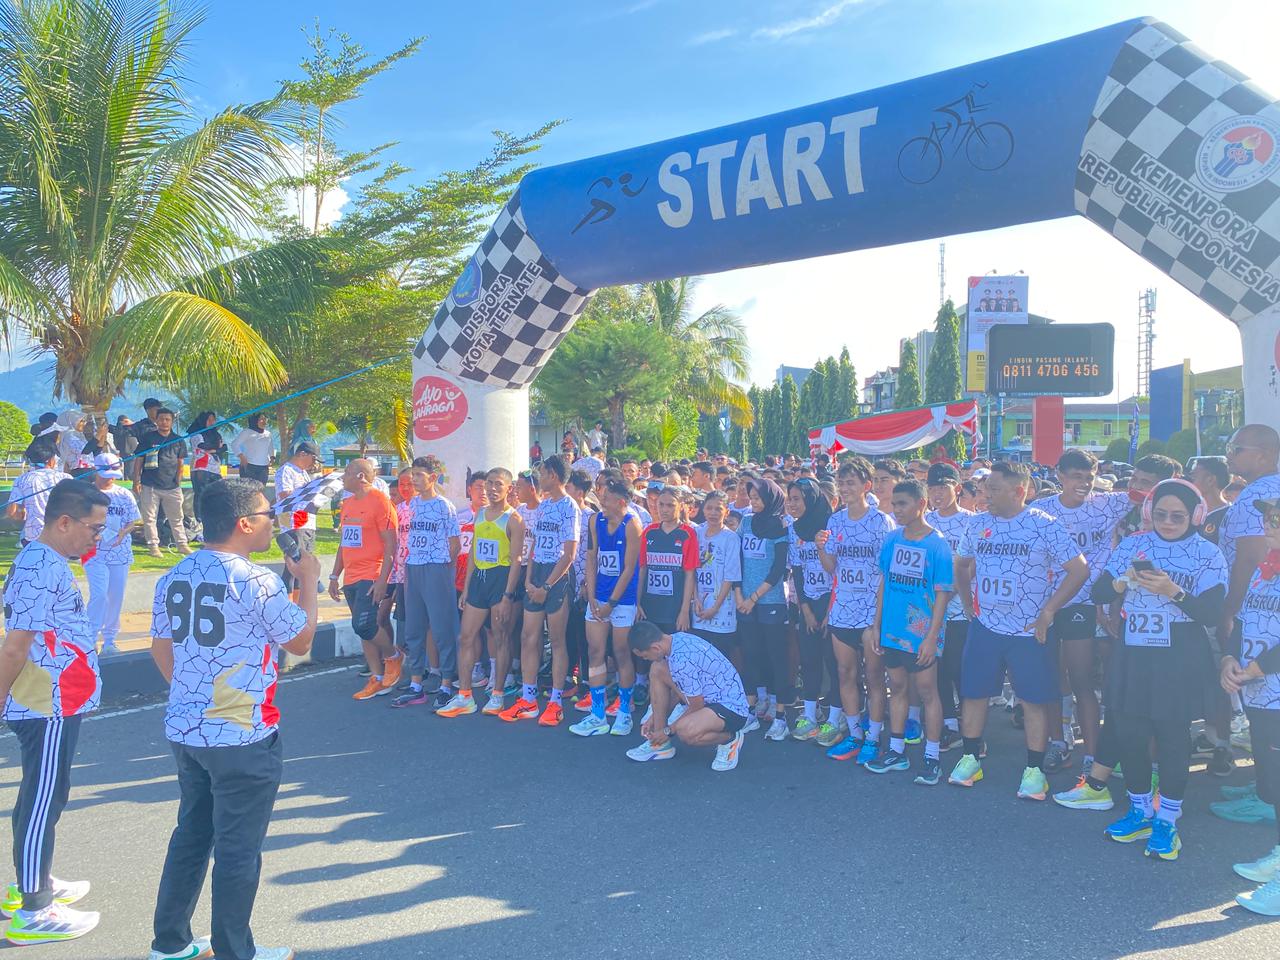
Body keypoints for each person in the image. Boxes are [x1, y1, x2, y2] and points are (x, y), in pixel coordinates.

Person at [149, 477, 319, 960]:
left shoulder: (175, 575)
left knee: (192, 835)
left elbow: (162, 650)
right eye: (267, 516)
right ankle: (234, 950)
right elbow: (301, 641)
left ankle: (171, 941)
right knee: (238, 849)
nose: (274, 524)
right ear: (244, 523)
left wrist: (191, 695)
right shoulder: (254, 578)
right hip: (243, 733)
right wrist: (307, 579)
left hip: (188, 728)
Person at [1090, 479, 1227, 862]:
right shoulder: (1134, 544)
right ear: (1150, 513)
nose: (1168, 522)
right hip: (1134, 650)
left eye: (1178, 516)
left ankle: (1168, 817)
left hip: (1179, 653)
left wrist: (1174, 592)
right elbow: (1098, 593)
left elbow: (1212, 613)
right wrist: (1121, 581)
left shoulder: (1207, 553)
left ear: (1195, 516)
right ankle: (1139, 809)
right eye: (1161, 514)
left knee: (1171, 737)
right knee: (1130, 732)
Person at [0, 480, 107, 946]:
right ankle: (35, 910)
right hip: (47, 699)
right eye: (92, 528)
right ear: (63, 521)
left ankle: (30, 881)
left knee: (41, 795)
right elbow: (16, 644)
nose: (96, 538)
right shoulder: (40, 565)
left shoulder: (43, 561)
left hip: (56, 694)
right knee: (44, 798)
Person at [949, 460, 1088, 799]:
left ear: (1019, 491)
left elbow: (1079, 570)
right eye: (985, 489)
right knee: (975, 692)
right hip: (987, 627)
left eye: (994, 489)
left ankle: (1034, 770)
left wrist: (1049, 612)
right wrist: (968, 602)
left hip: (1028, 631)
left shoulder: (1044, 525)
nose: (986, 495)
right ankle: (969, 758)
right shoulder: (978, 523)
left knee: (1033, 699)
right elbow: (961, 564)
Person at [1035, 449, 1130, 774]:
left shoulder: (1107, 502)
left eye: (1089, 478)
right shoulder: (1040, 510)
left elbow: (1155, 491)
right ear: (1059, 475)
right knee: (1050, 679)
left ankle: (1092, 754)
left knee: (1082, 680)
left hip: (1084, 603)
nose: (1084, 484)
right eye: (1076, 477)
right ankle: (1058, 743)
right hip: (1045, 605)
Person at [864, 479, 954, 784]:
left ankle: (931, 757)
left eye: (903, 504)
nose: (896, 510)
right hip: (891, 630)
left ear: (921, 505)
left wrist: (932, 636)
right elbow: (883, 585)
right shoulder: (891, 540)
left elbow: (943, 594)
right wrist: (876, 626)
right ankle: (897, 750)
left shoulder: (937, 545)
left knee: (928, 692)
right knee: (898, 688)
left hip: (922, 634)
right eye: (894, 504)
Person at [1222, 494, 1280, 914]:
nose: (1268, 527)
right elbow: (1242, 622)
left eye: (1276, 521)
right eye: (1268, 520)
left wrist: (1257, 668)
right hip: (1262, 696)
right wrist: (1228, 657)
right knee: (1273, 782)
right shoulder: (1266, 571)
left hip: (1271, 687)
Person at [816, 458, 892, 760]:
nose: (845, 488)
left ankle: (874, 736)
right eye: (842, 482)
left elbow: (887, 572)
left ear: (866, 486)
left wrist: (878, 617)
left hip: (870, 612)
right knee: (845, 673)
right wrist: (821, 547)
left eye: (851, 483)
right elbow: (831, 567)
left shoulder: (881, 521)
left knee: (874, 676)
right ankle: (854, 733)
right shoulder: (835, 521)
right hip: (842, 611)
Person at [501, 456, 579, 725]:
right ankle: (528, 698)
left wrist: (547, 586)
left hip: (557, 579)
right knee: (527, 637)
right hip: (536, 575)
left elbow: (569, 553)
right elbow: (535, 544)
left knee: (557, 641)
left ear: (554, 476)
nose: (539, 478)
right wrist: (529, 580)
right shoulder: (545, 505)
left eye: (543, 473)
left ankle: (556, 702)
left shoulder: (570, 506)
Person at [442, 468, 525, 718]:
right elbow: (475, 555)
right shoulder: (479, 514)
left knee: (500, 638)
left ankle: (498, 694)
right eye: (489, 484)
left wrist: (508, 596)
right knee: (466, 637)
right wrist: (466, 589)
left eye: (498, 484)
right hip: (479, 579)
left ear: (509, 488)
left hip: (501, 580)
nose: (492, 488)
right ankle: (464, 696)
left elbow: (516, 561)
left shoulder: (514, 519)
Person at [571, 478, 643, 737]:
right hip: (598, 596)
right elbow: (591, 557)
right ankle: (597, 714)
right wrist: (591, 594)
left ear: (621, 501)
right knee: (595, 651)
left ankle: (624, 712)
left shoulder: (632, 525)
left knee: (622, 652)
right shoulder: (595, 521)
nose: (602, 502)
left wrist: (612, 602)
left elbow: (629, 569)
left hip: (622, 599)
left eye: (607, 498)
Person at [625, 621, 748, 771]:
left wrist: (668, 731)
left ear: (655, 648)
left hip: (731, 708)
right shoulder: (676, 639)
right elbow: (682, 691)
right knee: (657, 668)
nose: (646, 659)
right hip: (710, 696)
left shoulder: (682, 662)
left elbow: (696, 705)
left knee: (685, 732)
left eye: (645, 656)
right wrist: (655, 719)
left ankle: (730, 739)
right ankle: (659, 745)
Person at [329, 459, 402, 701]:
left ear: (360, 476)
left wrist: (383, 580)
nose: (342, 478)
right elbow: (345, 542)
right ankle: (377, 679)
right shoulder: (348, 503)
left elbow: (391, 544)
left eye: (346, 473)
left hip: (372, 574)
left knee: (364, 624)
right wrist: (333, 574)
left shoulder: (381, 502)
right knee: (364, 632)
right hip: (351, 575)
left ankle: (393, 656)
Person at [394, 457, 462, 709]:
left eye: (420, 475)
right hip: (414, 567)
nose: (414, 479)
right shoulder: (412, 504)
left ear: (433, 478)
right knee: (414, 627)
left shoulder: (444, 506)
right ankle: (416, 684)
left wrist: (443, 569)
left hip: (437, 568)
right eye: (413, 474)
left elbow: (455, 544)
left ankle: (446, 683)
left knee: (442, 627)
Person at [736, 478, 791, 736]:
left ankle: (781, 717)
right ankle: (750, 709)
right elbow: (736, 559)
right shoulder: (746, 522)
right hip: (745, 601)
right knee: (751, 654)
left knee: (776, 657)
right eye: (751, 497)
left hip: (770, 601)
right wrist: (739, 594)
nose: (754, 502)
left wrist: (754, 597)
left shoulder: (780, 525)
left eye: (758, 498)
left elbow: (778, 568)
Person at [925, 462, 973, 752]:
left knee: (961, 671)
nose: (938, 493)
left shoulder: (973, 520)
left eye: (944, 487)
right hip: (930, 611)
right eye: (933, 488)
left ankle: (972, 733)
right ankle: (950, 726)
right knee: (938, 671)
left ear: (957, 488)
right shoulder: (926, 521)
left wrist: (952, 591)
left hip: (960, 609)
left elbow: (974, 564)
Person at [786, 478, 836, 743]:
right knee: (809, 659)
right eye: (790, 498)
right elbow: (797, 570)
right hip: (808, 602)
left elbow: (839, 570)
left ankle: (835, 719)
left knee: (834, 661)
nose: (792, 504)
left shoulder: (832, 525)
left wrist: (829, 609)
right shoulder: (793, 530)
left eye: (797, 498)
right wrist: (805, 608)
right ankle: (809, 714)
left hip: (833, 602)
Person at [84, 454, 140, 657]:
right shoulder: (87, 494)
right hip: (94, 552)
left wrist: (122, 533)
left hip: (119, 551)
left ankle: (109, 640)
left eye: (113, 474)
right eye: (106, 474)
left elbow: (133, 520)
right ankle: (90, 638)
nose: (110, 478)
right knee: (99, 595)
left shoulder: (124, 494)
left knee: (115, 595)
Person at [691, 490, 742, 670]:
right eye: (709, 508)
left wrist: (715, 607)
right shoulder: (696, 533)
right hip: (698, 606)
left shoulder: (731, 538)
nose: (713, 513)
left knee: (720, 660)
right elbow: (691, 571)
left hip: (722, 608)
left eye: (718, 509)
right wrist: (695, 599)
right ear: (703, 510)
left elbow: (731, 576)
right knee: (699, 658)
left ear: (726, 512)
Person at [133, 407, 191, 559]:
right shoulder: (147, 438)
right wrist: (136, 480)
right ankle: (153, 545)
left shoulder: (178, 440)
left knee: (177, 517)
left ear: (171, 422)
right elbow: (139, 459)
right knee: (149, 517)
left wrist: (178, 481)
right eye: (161, 419)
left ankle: (182, 544)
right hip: (150, 484)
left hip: (172, 486)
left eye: (167, 419)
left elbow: (181, 462)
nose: (164, 422)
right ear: (156, 421)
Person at [273, 441, 320, 595]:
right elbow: (285, 495)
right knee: (294, 564)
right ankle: (288, 605)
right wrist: (307, 494)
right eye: (314, 459)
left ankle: (300, 607)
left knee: (303, 566)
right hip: (294, 521)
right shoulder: (286, 470)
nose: (314, 463)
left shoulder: (303, 473)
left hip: (307, 521)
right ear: (302, 454)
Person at [6, 437, 71, 545]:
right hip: (62, 535)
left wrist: (24, 513)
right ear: (51, 460)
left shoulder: (22, 479)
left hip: (33, 536)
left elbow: (12, 512)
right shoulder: (66, 478)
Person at [188, 411, 226, 530]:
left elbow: (224, 448)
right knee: (201, 494)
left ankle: (214, 518)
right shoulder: (196, 434)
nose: (211, 422)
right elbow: (203, 446)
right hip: (201, 468)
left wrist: (214, 450)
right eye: (209, 420)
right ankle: (199, 520)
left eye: (213, 420)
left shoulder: (217, 435)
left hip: (215, 468)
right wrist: (216, 448)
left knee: (217, 493)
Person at [230, 414, 274, 483]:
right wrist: (241, 457)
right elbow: (234, 444)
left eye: (265, 419)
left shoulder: (268, 434)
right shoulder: (247, 432)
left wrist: (272, 457)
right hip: (249, 466)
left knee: (260, 490)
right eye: (261, 419)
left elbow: (270, 446)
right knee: (248, 491)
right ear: (255, 421)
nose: (264, 421)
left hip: (263, 467)